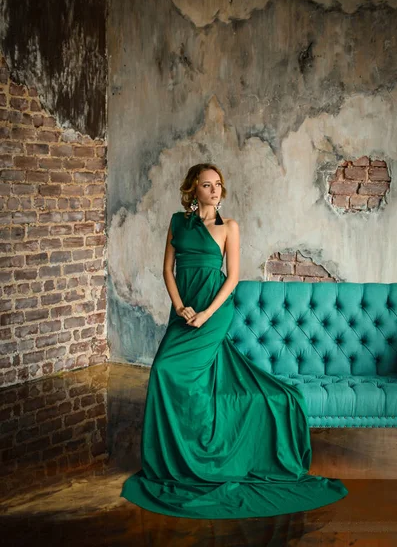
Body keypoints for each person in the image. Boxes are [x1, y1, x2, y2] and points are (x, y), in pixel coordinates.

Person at [121, 163, 348, 519]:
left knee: (178, 372)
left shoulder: (229, 228)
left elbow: (233, 278)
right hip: (184, 311)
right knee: (163, 371)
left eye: (219, 185)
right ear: (193, 189)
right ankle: (174, 456)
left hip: (214, 312)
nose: (214, 190)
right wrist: (181, 307)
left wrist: (207, 314)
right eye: (207, 185)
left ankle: (198, 451)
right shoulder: (177, 223)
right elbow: (167, 269)